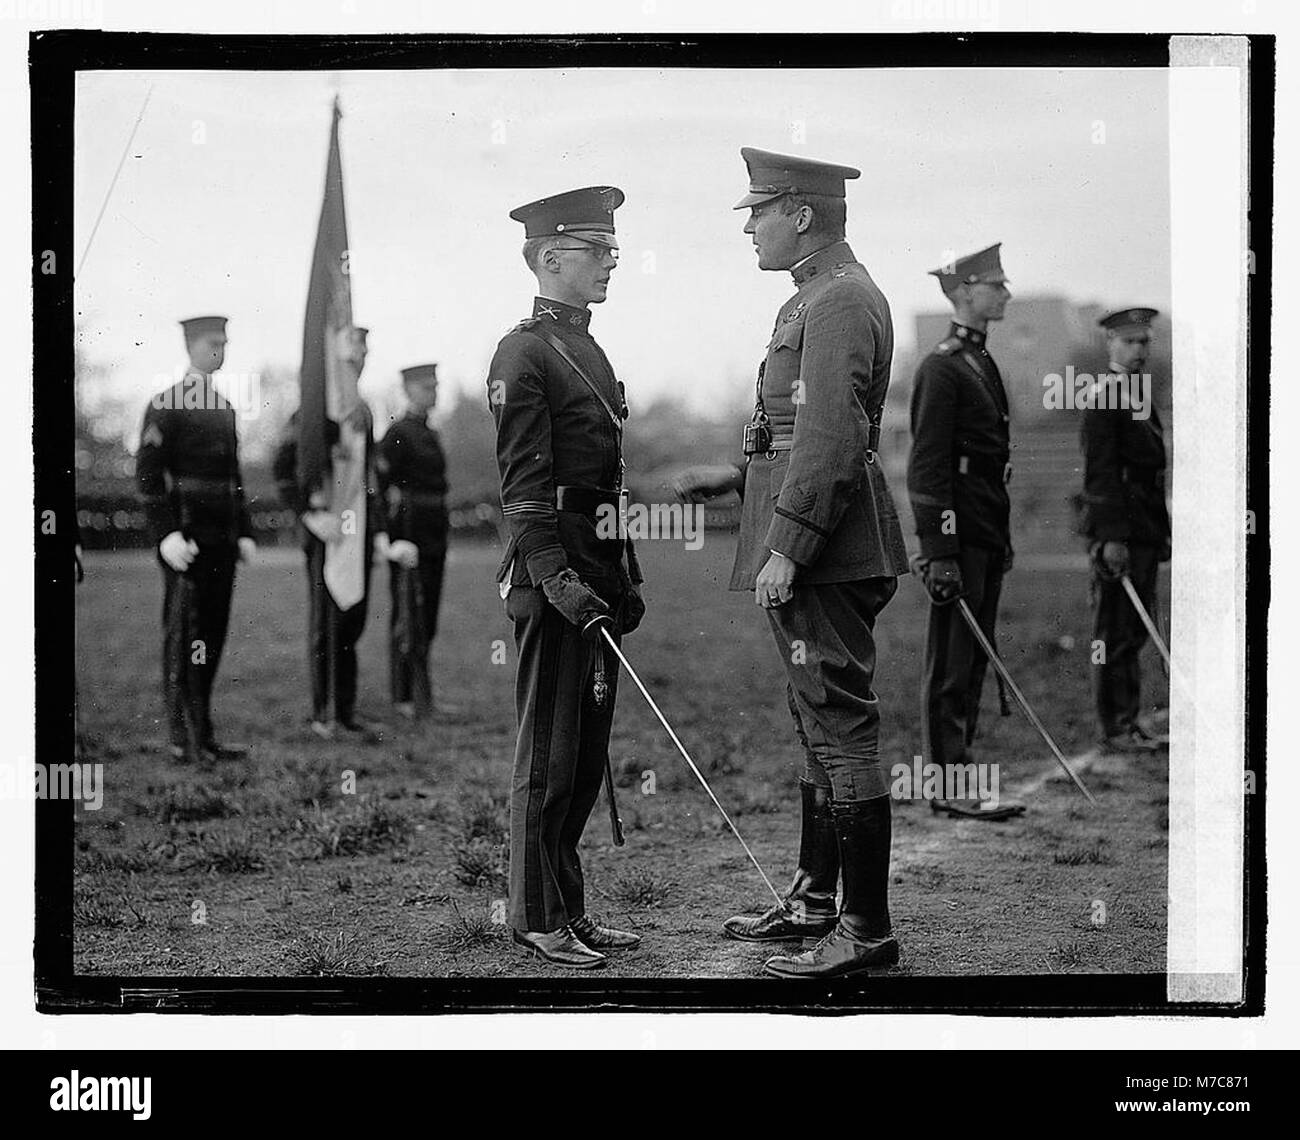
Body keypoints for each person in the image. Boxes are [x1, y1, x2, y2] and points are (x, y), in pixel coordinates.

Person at [673, 148, 910, 979]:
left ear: (802, 214)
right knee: (815, 720)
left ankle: (866, 931)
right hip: (821, 542)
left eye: (759, 212)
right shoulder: (818, 293)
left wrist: (789, 543)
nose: (749, 229)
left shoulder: (839, 298)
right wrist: (740, 478)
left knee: (839, 725)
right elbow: (797, 433)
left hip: (828, 551)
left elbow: (834, 438)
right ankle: (816, 899)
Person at [488, 185, 645, 969]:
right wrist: (556, 578)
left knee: (583, 760)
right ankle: (533, 916)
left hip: (597, 569)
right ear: (551, 256)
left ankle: (570, 910)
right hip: (555, 577)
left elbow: (607, 479)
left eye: (612, 249)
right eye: (598, 249)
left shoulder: (587, 346)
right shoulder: (523, 352)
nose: (612, 261)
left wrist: (625, 575)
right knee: (546, 756)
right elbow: (524, 487)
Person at [907, 244, 1026, 821]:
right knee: (953, 660)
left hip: (983, 526)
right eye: (995, 284)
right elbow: (928, 466)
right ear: (963, 292)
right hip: (956, 535)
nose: (1005, 292)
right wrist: (939, 550)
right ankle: (946, 781)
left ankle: (963, 775)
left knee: (975, 657)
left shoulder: (980, 360)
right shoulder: (941, 365)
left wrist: (998, 539)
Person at [273, 326, 409, 739]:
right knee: (327, 623)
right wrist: (308, 515)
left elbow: (370, 481)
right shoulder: (314, 411)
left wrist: (380, 531)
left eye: (365, 352)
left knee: (353, 620)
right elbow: (283, 469)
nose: (361, 358)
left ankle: (346, 710)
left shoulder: (362, 412)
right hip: (327, 531)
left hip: (359, 531)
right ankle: (324, 712)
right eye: (353, 352)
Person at [136, 315, 255, 764]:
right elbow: (148, 475)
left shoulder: (224, 406)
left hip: (221, 541)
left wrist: (243, 531)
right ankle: (181, 736)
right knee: (186, 636)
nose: (220, 350)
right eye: (212, 342)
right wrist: (164, 533)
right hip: (185, 542)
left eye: (224, 342)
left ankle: (203, 732)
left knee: (213, 634)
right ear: (190, 346)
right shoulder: (165, 403)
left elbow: (234, 478)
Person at [1079, 307, 1170, 753]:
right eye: (1130, 341)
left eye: (1144, 342)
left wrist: (1160, 532)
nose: (1138, 350)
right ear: (1110, 344)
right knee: (1113, 632)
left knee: (1134, 630)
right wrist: (1111, 537)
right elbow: (1100, 474)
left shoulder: (1137, 394)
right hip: (1121, 532)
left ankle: (1129, 720)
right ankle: (1115, 725)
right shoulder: (1104, 396)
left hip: (1145, 529)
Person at [376, 363, 451, 719]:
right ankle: (403, 697)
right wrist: (394, 539)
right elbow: (378, 488)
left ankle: (423, 696)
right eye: (425, 387)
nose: (433, 391)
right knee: (408, 615)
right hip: (409, 534)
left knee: (429, 617)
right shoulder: (397, 433)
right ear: (408, 390)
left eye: (435, 385)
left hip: (435, 533)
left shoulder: (430, 433)